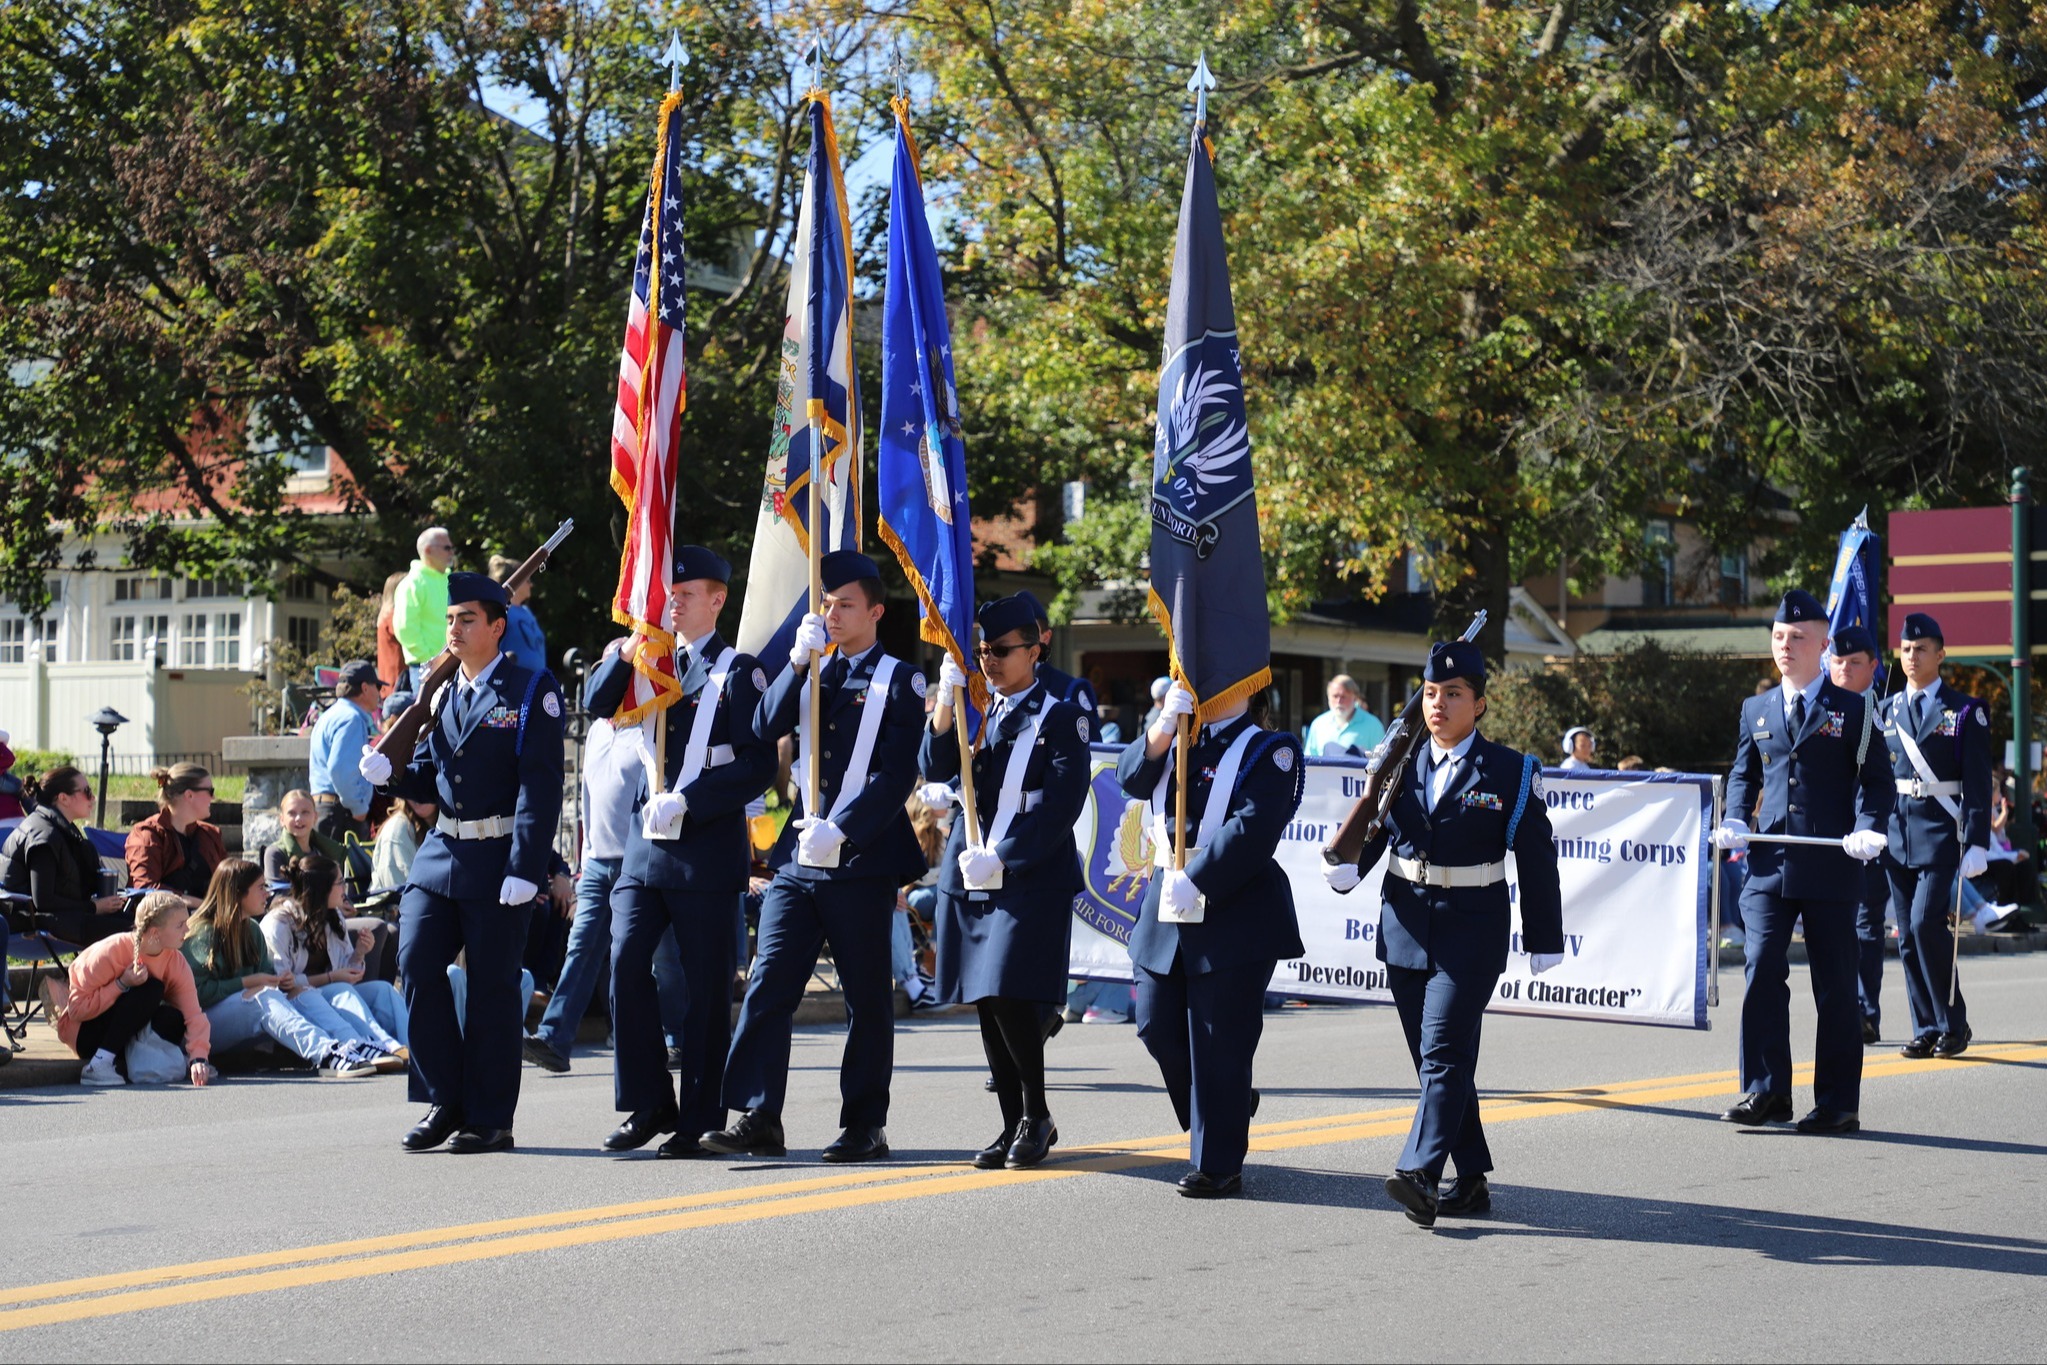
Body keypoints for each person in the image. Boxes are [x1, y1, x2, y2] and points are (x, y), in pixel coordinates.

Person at [1323, 639, 1563, 1226]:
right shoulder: (1400, 761)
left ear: (1479, 704)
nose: (1439, 705)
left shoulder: (1511, 770)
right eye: (1431, 693)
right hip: (1405, 923)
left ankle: (1420, 1174)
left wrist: (1544, 937)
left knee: (1445, 1051)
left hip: (1472, 929)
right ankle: (1472, 1178)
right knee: (1436, 1060)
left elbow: (1536, 857)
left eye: (1453, 694)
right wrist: (1348, 863)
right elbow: (1379, 829)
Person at [703, 551, 926, 1163]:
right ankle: (757, 1113)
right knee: (769, 984)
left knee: (865, 998)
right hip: (799, 859)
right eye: (826, 603)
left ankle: (864, 1124)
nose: (831, 612)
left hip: (860, 858)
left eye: (845, 604)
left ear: (875, 612)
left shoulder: (899, 679)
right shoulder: (814, 668)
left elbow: (894, 773)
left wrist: (845, 831)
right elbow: (757, 727)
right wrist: (797, 664)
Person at [358, 569, 565, 1155]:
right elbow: (426, 773)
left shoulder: (531, 689)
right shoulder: (442, 691)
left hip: (500, 856)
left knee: (495, 990)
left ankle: (490, 1116)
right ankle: (444, 1099)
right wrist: (390, 772)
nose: (453, 628)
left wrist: (528, 869)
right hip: (441, 852)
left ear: (498, 627)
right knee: (417, 964)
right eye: (449, 619)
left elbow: (541, 786)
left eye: (466, 618)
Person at [584, 548, 775, 1158]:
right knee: (624, 964)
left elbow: (757, 766)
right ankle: (649, 1102)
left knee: (703, 990)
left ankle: (697, 1115)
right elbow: (596, 703)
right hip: (643, 850)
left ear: (717, 600)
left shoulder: (740, 672)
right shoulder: (647, 660)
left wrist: (695, 800)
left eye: (686, 592)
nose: (673, 601)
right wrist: (625, 649)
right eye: (669, 591)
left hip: (704, 850)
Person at [1711, 589, 1894, 1135]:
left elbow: (1875, 781)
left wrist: (1868, 827)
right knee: (1762, 967)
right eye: (1777, 637)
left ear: (1821, 645)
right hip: (1769, 863)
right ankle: (1767, 1091)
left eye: (1796, 638)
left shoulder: (1854, 709)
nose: (1784, 646)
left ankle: (1838, 1102)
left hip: (1831, 864)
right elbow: (1745, 772)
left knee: (1835, 986)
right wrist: (1737, 815)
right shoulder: (1756, 707)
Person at [1116, 676, 1305, 1199]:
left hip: (1232, 907)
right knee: (1156, 1027)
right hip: (1165, 906)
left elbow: (1253, 830)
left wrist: (1198, 880)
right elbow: (1129, 778)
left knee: (1219, 1044)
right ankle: (1227, 1105)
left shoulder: (1271, 750)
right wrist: (1159, 729)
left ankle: (1217, 1162)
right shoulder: (1177, 735)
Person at [920, 597, 1091, 1168]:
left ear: (1035, 648)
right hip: (971, 869)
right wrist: (945, 702)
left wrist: (1008, 856)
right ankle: (1012, 1121)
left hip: (1027, 873)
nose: (988, 660)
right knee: (987, 1000)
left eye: (1001, 650)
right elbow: (936, 761)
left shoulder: (1062, 715)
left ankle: (1035, 1113)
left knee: (1010, 991)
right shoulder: (976, 705)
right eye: (982, 650)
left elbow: (1062, 804)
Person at [523, 643, 692, 1077]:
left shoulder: (650, 724)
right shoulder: (598, 728)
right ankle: (555, 1037)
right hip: (599, 863)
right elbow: (586, 801)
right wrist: (582, 862)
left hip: (645, 857)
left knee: (665, 959)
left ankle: (678, 1039)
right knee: (581, 949)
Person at [1878, 612, 1998, 1060]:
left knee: (1926, 922)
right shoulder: (1886, 709)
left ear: (1940, 655)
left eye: (1921, 649)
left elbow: (1977, 779)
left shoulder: (1966, 710)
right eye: (1906, 649)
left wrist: (1978, 840)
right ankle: (1926, 1025)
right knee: (1906, 935)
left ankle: (1954, 1023)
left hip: (1941, 832)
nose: (1912, 657)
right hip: (1897, 833)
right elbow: (1873, 776)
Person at [182, 859, 385, 1078]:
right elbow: (197, 996)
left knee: (302, 993)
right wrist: (248, 982)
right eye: (261, 887)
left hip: (244, 1018)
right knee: (262, 998)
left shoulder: (251, 929)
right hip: (202, 1031)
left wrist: (281, 981)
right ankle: (325, 1054)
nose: (267, 894)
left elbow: (266, 977)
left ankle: (352, 1044)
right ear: (238, 892)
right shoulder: (203, 934)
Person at [260, 854, 410, 1062]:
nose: (345, 889)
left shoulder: (333, 916)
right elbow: (282, 984)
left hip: (334, 994)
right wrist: (330, 978)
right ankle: (383, 1044)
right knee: (341, 989)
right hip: (299, 1002)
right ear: (322, 888)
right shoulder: (279, 924)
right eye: (340, 882)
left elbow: (347, 973)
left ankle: (414, 1045)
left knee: (382, 989)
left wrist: (359, 953)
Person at [59, 891, 213, 1087]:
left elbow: (193, 1015)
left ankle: (137, 1062)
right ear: (156, 932)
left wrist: (199, 1058)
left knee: (174, 1018)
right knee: (151, 988)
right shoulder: (111, 951)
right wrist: (121, 984)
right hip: (84, 1034)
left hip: (122, 1031)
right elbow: (77, 1010)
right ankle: (98, 1066)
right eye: (180, 925)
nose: (187, 929)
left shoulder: (176, 961)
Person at [1827, 626, 1891, 1043]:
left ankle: (1865, 1011)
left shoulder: (1887, 713)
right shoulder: (1815, 709)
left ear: (1873, 667)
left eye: (1855, 662)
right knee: (1835, 930)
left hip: (1872, 840)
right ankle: (1841, 1007)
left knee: (1867, 928)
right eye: (1839, 661)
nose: (1845, 669)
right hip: (1830, 839)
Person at [1, 766, 132, 945]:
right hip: (32, 921)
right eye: (87, 791)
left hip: (61, 916)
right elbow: (43, 901)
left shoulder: (62, 829)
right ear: (63, 798)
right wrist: (95, 907)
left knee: (147, 921)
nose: (92, 798)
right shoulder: (44, 836)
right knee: (136, 931)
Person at [124, 763, 227, 907]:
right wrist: (203, 906)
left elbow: (229, 881)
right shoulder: (147, 835)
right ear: (189, 795)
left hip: (210, 919)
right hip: (165, 923)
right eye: (210, 791)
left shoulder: (210, 834)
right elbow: (146, 889)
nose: (213, 797)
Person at [309, 659, 383, 843]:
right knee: (345, 871)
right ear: (365, 688)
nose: (380, 694)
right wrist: (359, 809)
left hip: (325, 809)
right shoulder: (352, 719)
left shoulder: (331, 715)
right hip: (340, 814)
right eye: (378, 687)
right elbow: (340, 769)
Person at [392, 525, 456, 697]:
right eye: (447, 548)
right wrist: (430, 660)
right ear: (428, 550)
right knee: (428, 721)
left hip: (454, 664)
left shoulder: (452, 581)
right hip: (427, 668)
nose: (452, 552)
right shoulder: (412, 584)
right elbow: (405, 628)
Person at [1015, 590, 1098, 714]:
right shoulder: (990, 689)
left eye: (1029, 631)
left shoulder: (1068, 689)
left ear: (1046, 637)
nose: (1019, 639)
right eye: (1012, 633)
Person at [488, 554, 549, 674]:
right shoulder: (500, 611)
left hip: (536, 683)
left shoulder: (527, 612)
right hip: (511, 683)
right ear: (516, 581)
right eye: (527, 580)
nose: (531, 584)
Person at [1304, 674, 1386, 758]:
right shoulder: (1318, 724)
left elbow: (1381, 762)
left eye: (1344, 697)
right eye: (1335, 696)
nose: (1339, 701)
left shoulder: (1373, 725)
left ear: (1355, 698)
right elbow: (1309, 761)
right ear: (1328, 697)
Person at [368, 797, 434, 900]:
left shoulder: (453, 825)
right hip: (395, 912)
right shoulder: (397, 831)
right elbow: (405, 898)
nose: (418, 792)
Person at [375, 570, 409, 708]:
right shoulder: (393, 616)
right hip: (397, 679)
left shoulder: (385, 615)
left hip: (389, 680)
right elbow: (407, 634)